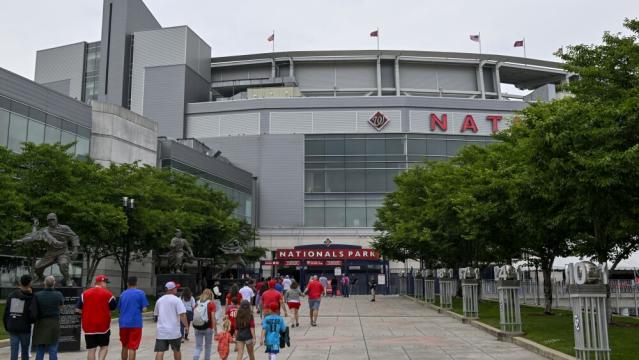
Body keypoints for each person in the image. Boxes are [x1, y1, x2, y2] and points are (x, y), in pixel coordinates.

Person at [76, 275, 117, 360]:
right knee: (104, 347)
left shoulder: (84, 294)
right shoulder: (108, 294)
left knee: (91, 350)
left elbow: (77, 310)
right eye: (105, 282)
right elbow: (113, 308)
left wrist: (86, 313)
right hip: (103, 327)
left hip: (89, 326)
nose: (106, 284)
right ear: (101, 282)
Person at [3, 274, 37, 360]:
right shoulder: (31, 297)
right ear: (29, 283)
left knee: (14, 351)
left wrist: (7, 325)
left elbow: (6, 312)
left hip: (13, 326)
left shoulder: (11, 295)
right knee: (25, 352)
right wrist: (31, 321)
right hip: (25, 328)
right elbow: (33, 314)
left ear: (20, 282)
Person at [154, 281, 189, 360]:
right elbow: (183, 315)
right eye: (175, 288)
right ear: (171, 289)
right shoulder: (177, 300)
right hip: (174, 331)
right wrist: (186, 326)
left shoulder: (159, 300)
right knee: (176, 350)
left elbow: (156, 314)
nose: (176, 289)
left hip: (162, 331)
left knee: (160, 351)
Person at [117, 276, 149, 360]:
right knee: (132, 347)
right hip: (135, 323)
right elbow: (144, 309)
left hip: (123, 323)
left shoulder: (122, 294)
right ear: (136, 283)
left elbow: (119, 309)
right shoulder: (141, 293)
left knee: (124, 346)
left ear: (127, 284)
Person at [33, 275, 64, 360]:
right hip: (54, 323)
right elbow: (61, 306)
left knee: (40, 347)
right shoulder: (58, 294)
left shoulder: (37, 295)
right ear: (54, 283)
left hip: (41, 323)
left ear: (44, 283)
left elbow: (34, 309)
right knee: (53, 348)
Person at [193, 288, 217, 360]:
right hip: (208, 327)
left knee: (198, 346)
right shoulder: (211, 304)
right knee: (208, 346)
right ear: (210, 295)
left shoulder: (197, 303)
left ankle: (195, 357)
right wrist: (215, 329)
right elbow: (213, 317)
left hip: (197, 326)